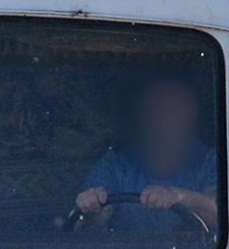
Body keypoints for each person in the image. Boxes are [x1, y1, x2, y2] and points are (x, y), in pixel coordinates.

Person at [75, 75, 219, 232]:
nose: (159, 116)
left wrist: (178, 197)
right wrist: (91, 210)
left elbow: (221, 213)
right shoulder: (116, 164)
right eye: (151, 107)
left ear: (192, 111)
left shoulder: (213, 161)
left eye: (170, 107)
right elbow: (85, 227)